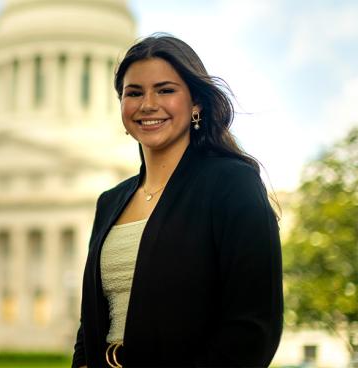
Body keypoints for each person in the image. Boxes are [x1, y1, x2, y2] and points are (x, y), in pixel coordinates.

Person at [72, 34, 283, 368]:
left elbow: (253, 326)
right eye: (134, 93)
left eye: (165, 90)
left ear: (195, 102)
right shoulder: (110, 202)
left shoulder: (231, 182)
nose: (148, 104)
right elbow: (92, 321)